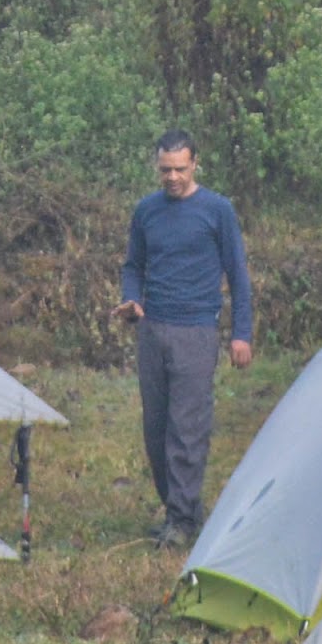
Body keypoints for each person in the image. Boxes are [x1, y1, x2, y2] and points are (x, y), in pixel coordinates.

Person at [121, 130, 254, 546]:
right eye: (165, 169)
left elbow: (238, 274)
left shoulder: (217, 210)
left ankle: (180, 520)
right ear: (156, 166)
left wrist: (241, 334)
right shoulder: (147, 211)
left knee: (187, 427)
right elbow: (133, 266)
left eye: (180, 169)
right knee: (156, 428)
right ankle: (182, 509)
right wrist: (130, 300)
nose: (173, 177)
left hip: (197, 330)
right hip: (153, 329)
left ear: (195, 163)